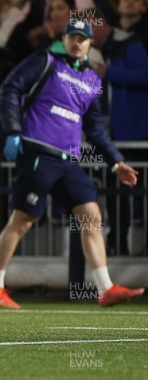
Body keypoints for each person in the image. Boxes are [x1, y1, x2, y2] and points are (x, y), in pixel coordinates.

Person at [0, 18, 145, 309]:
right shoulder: (45, 60)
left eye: (83, 38)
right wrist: (13, 131)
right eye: (73, 36)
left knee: (90, 215)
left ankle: (105, 288)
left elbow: (94, 129)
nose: (77, 42)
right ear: (64, 38)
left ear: (90, 42)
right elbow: (9, 89)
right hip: (38, 153)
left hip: (69, 159)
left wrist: (115, 162)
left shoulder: (93, 80)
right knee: (22, 221)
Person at [97, 0, 148, 256]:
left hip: (138, 131)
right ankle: (117, 244)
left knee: (134, 190)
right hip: (116, 131)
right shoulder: (113, 39)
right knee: (118, 191)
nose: (128, 2)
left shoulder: (139, 41)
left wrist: (111, 72)